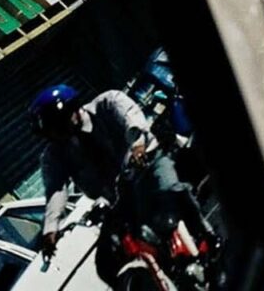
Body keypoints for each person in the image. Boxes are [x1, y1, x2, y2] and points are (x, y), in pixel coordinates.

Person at [31, 81, 206, 267]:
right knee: (108, 261)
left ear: (73, 108)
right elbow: (55, 190)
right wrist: (50, 230)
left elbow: (132, 120)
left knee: (172, 189)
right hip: (119, 200)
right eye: (51, 131)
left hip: (147, 170)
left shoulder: (108, 102)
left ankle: (207, 236)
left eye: (59, 123)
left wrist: (138, 146)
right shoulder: (54, 155)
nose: (58, 133)